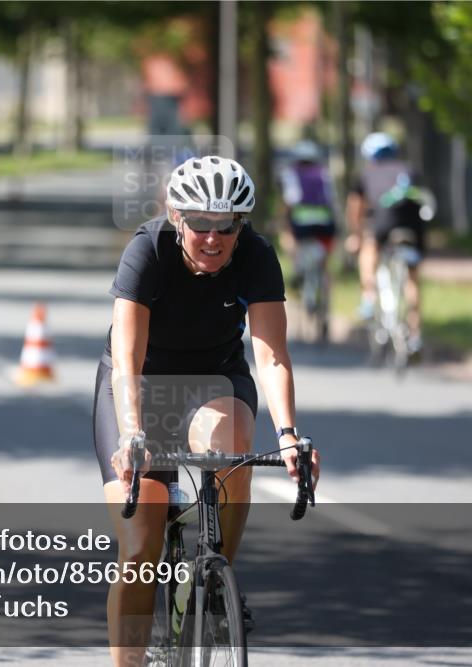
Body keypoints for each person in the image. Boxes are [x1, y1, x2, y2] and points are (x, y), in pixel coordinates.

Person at [93, 156, 321, 666]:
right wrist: (132, 432)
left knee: (233, 452)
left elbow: (271, 354)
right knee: (139, 550)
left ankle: (216, 585)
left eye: (226, 226)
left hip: (213, 379)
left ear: (242, 225)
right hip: (140, 385)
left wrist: (288, 434)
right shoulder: (146, 250)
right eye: (200, 224)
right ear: (178, 219)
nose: (213, 238)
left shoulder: (256, 256)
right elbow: (128, 356)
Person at [345, 132, 428, 354]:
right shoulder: (410, 169)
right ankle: (415, 334)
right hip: (414, 225)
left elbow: (356, 207)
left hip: (384, 221)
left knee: (369, 247)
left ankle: (369, 297)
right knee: (412, 278)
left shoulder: (366, 174)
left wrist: (356, 234)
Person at [277, 140, 339, 342]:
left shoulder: (291, 173)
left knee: (291, 246)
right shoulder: (324, 174)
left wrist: (284, 226)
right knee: (325, 265)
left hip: (301, 226)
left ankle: (298, 275)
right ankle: (325, 303)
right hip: (325, 225)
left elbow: (289, 201)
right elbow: (332, 202)